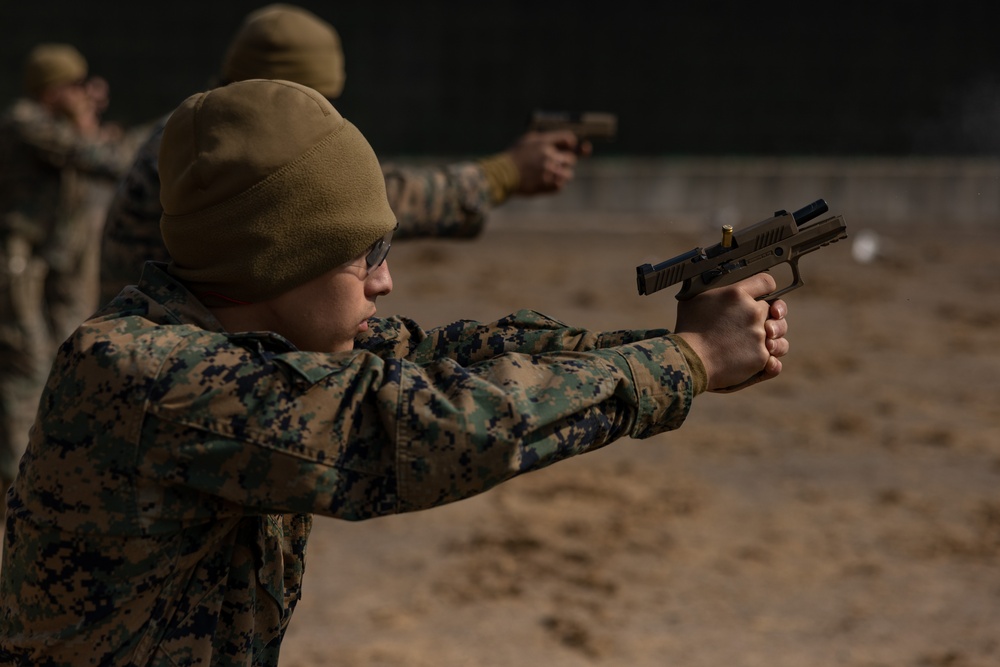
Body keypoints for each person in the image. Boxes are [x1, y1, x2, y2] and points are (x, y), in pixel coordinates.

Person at [0, 79, 789, 665]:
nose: (385, 282)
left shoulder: (259, 340)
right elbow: (426, 429)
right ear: (277, 261)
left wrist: (675, 338)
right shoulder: (140, 372)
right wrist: (683, 362)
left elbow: (456, 353)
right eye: (364, 255)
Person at [99, 3, 589, 305]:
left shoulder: (199, 132)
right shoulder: (224, 151)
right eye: (316, 100)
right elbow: (356, 201)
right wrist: (502, 174)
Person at [0, 43, 145, 497]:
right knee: (25, 361)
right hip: (18, 256)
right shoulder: (27, 122)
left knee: (60, 354)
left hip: (54, 259)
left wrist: (89, 127)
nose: (84, 94)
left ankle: (45, 465)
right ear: (53, 88)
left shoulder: (57, 126)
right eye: (75, 86)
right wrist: (90, 129)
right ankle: (15, 482)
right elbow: (107, 160)